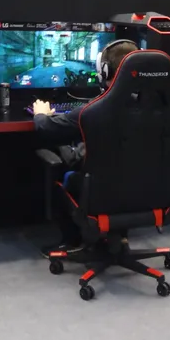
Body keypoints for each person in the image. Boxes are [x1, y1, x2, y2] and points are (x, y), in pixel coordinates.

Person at [30, 39, 139, 254]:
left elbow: (45, 128)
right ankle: (120, 236)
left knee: (60, 168)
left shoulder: (94, 110)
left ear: (104, 71)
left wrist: (41, 113)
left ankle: (73, 240)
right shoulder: (160, 105)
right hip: (146, 188)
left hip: (101, 190)